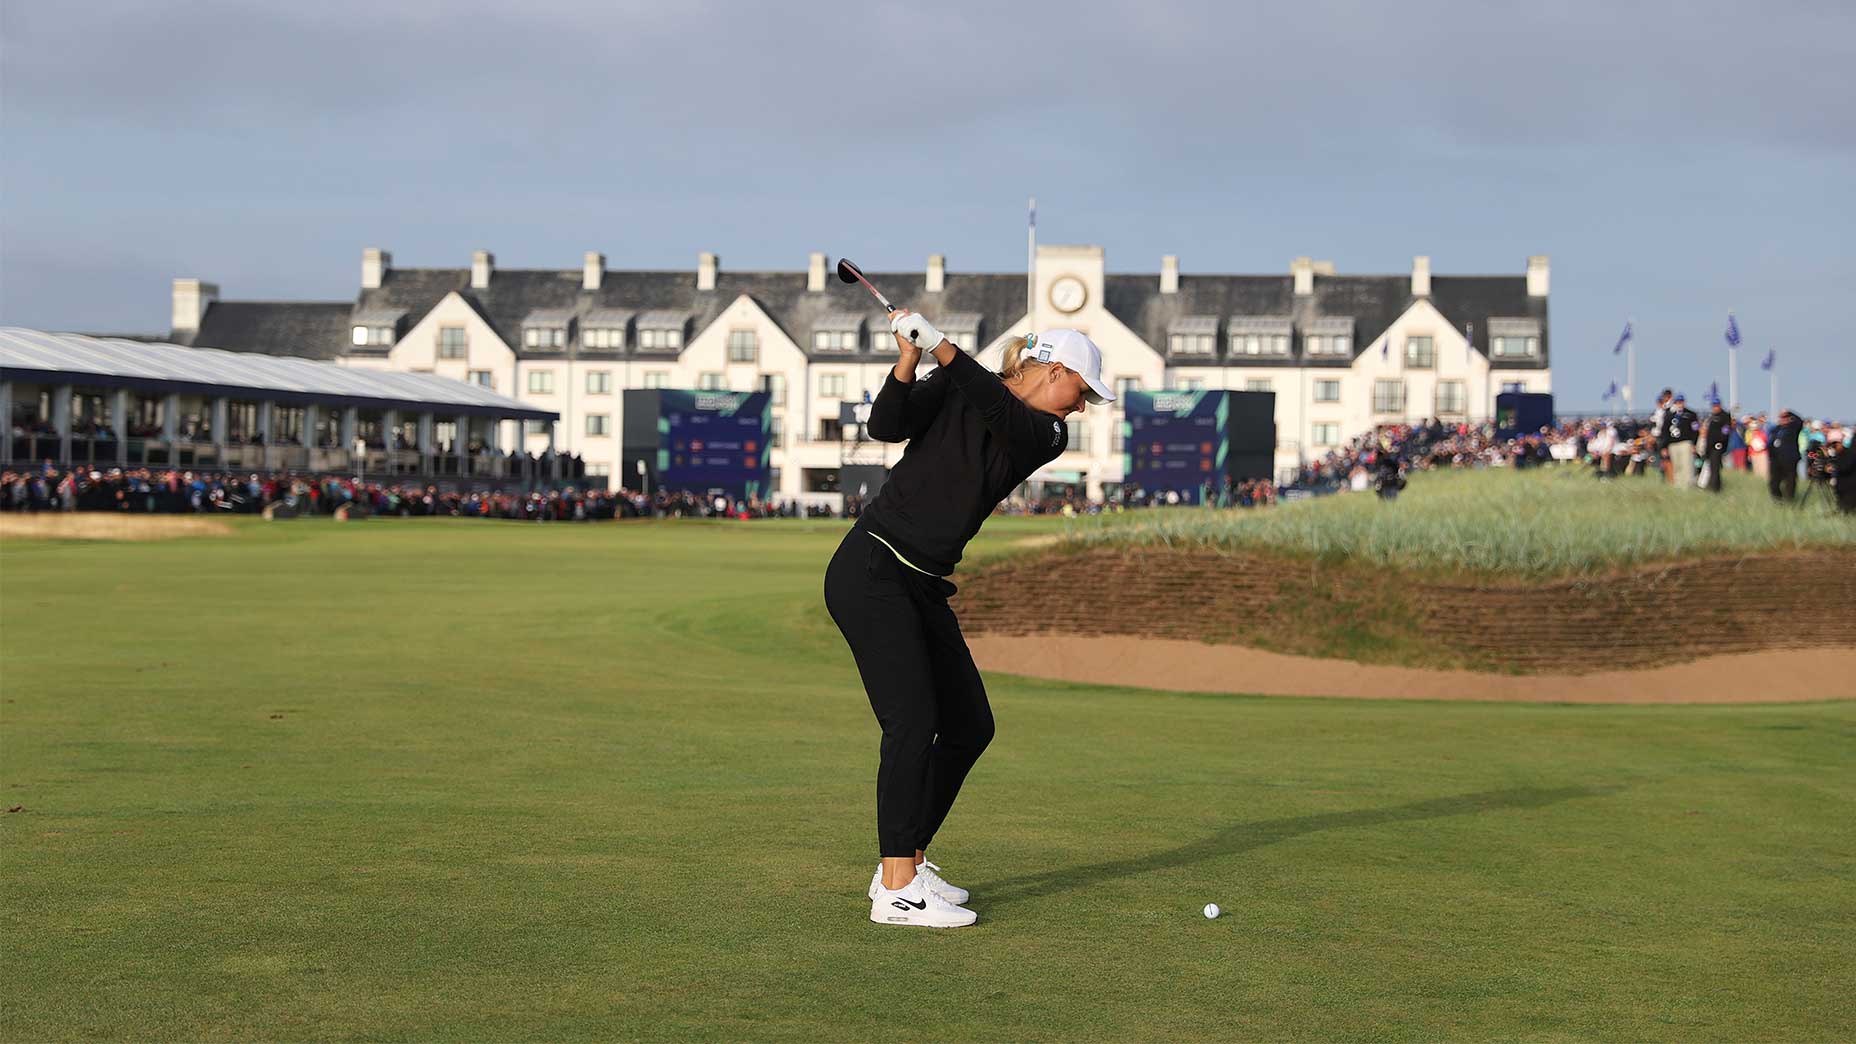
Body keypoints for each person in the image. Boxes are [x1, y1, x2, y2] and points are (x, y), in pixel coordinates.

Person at [823, 310, 1112, 929]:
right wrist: (910, 358)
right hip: (873, 570)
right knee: (913, 722)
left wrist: (946, 351)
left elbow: (999, 410)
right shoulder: (961, 382)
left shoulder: (1046, 433)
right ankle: (896, 888)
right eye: (1081, 392)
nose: (1082, 407)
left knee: (969, 725)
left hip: (923, 585)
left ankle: (909, 858)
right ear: (1055, 371)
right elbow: (885, 425)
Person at [1662, 392, 1698, 489]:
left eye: (1681, 401)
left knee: (1686, 464)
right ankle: (1678, 485)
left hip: (1685, 443)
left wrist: (1694, 444)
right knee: (1677, 465)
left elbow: (1695, 430)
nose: (1679, 403)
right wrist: (1664, 446)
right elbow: (1664, 431)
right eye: (1677, 402)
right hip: (1673, 444)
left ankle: (1688, 485)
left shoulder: (1691, 414)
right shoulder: (1669, 415)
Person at [1767, 409, 1804, 502]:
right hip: (1776, 460)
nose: (1784, 420)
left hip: (1790, 459)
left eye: (1786, 418)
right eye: (1782, 418)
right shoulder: (1776, 429)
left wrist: (1790, 412)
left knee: (1790, 482)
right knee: (1774, 483)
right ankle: (1777, 500)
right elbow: (1770, 442)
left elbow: (1800, 421)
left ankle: (1789, 500)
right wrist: (1770, 456)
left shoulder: (1793, 428)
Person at [1698, 397, 1732, 493]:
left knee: (1715, 468)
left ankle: (1715, 488)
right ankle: (1710, 485)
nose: (1715, 407)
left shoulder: (1724, 416)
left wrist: (1720, 442)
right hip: (1709, 446)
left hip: (1717, 446)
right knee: (1710, 467)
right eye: (1713, 406)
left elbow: (1725, 432)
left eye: (1716, 405)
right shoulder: (1711, 417)